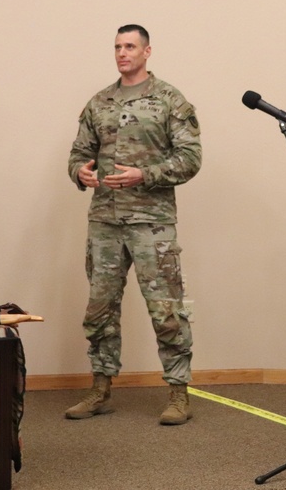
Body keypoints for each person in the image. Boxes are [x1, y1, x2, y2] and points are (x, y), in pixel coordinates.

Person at [66, 24, 202, 425]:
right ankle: (100, 388)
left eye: (130, 47)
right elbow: (78, 154)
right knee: (100, 309)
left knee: (166, 310)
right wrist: (81, 173)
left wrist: (145, 175)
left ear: (147, 52)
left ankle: (179, 393)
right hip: (105, 222)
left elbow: (191, 159)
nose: (122, 53)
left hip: (151, 223)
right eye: (117, 47)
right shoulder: (99, 102)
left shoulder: (169, 101)